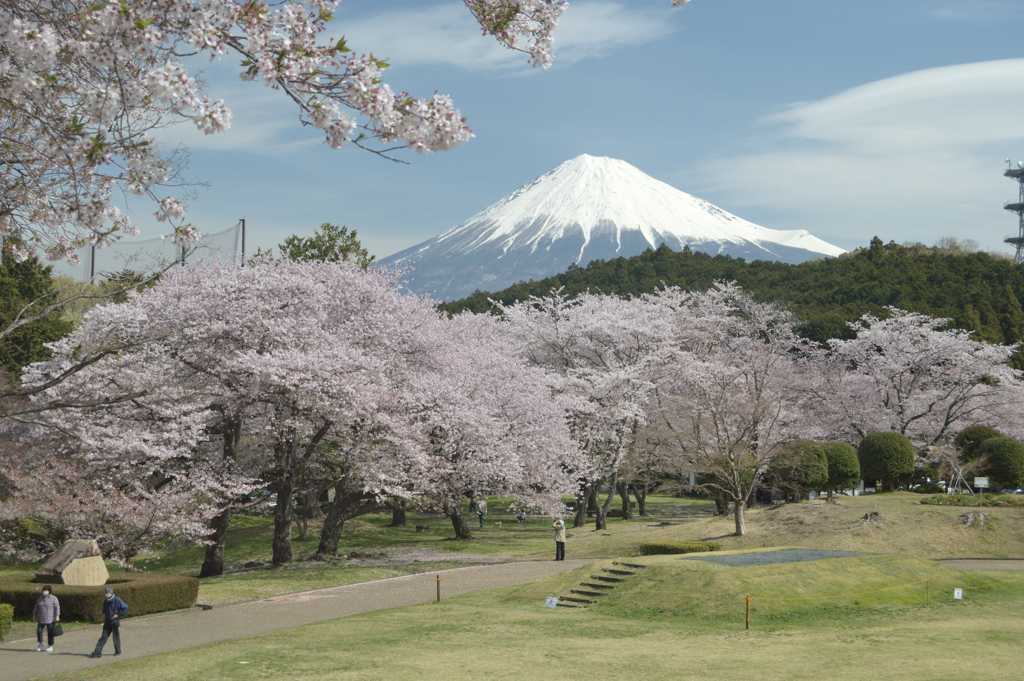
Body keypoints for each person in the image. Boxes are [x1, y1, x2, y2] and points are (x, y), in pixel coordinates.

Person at [90, 586, 128, 658]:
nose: (106, 594)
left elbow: (126, 607)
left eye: (107, 593)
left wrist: (118, 615)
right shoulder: (106, 600)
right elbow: (104, 609)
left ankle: (118, 651)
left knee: (115, 637)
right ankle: (97, 652)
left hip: (114, 621)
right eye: (105, 593)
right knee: (103, 637)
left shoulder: (117, 600)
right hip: (107, 621)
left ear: (111, 593)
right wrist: (105, 613)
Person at [32, 586, 60, 652]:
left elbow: (57, 607)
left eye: (46, 590)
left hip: (50, 619)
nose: (44, 591)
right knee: (39, 631)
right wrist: (34, 615)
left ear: (49, 591)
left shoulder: (53, 598)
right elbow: (36, 606)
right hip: (41, 618)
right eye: (44, 590)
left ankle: (50, 646)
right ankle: (40, 644)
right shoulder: (40, 598)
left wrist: (57, 616)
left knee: (50, 633)